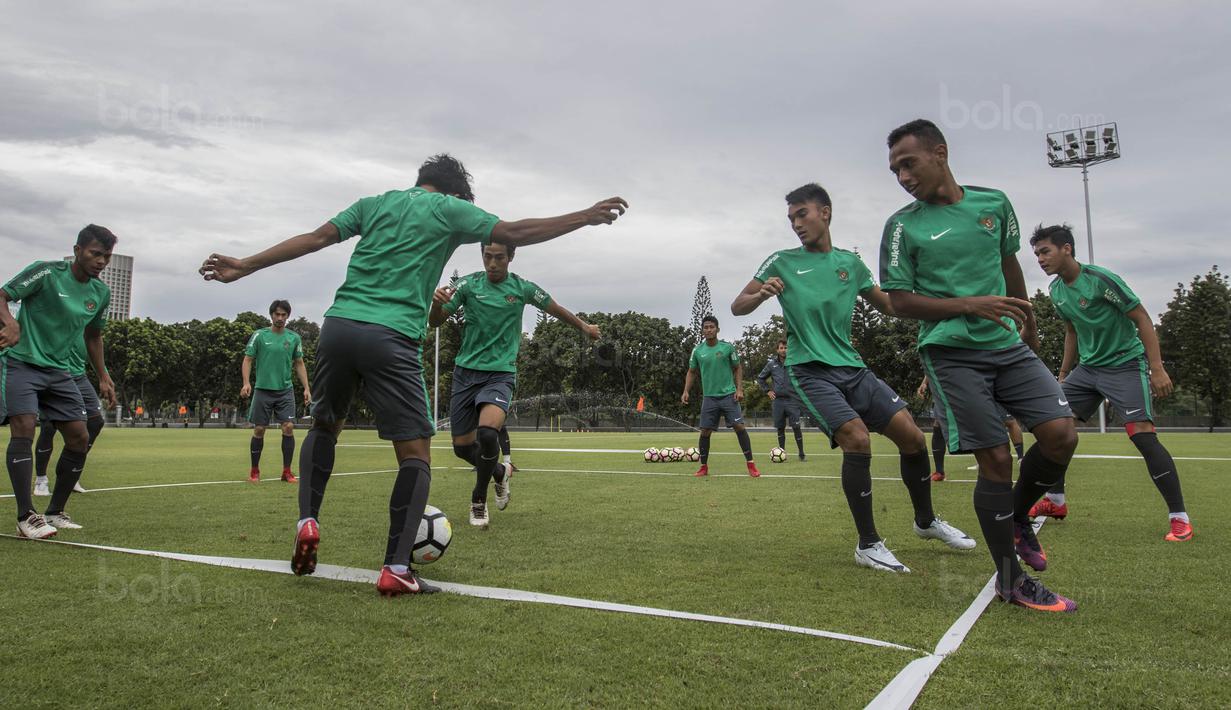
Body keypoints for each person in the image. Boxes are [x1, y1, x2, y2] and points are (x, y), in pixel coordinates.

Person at [200, 153, 627, 596]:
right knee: (416, 455)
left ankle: (308, 519)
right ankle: (396, 568)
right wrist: (585, 216)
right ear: (457, 193)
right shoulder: (449, 208)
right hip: (392, 337)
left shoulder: (375, 203)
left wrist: (246, 265)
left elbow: (314, 239)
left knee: (326, 427)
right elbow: (514, 232)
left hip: (338, 327)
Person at [880, 119, 1078, 612]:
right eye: (895, 170)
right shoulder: (902, 226)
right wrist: (970, 305)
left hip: (1007, 343)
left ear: (940, 153)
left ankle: (1014, 517)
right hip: (950, 353)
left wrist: (1026, 317)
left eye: (909, 163)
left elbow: (1010, 265)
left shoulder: (994, 204)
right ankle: (1010, 580)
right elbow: (900, 302)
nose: (903, 177)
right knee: (995, 460)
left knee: (1061, 435)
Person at [734, 183, 974, 573]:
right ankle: (868, 544)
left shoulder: (851, 264)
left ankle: (926, 521)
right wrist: (761, 294)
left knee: (913, 437)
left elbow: (891, 306)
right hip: (809, 370)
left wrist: (951, 304)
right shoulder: (780, 261)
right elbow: (737, 305)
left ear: (825, 212)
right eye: (791, 218)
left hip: (853, 368)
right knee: (856, 438)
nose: (796, 224)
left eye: (802, 214)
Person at [1030, 223, 1192, 541]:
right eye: (1036, 253)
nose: (1039, 258)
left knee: (1143, 437)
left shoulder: (1101, 280)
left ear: (1067, 249)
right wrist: (1063, 375)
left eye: (1045, 251)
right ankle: (1055, 501)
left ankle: (1180, 518)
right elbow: (1072, 332)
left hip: (1125, 365)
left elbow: (1142, 318)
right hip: (1087, 370)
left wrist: (1156, 368)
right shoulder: (1056, 290)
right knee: (1052, 428)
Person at [429, 242, 599, 528]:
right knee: (461, 448)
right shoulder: (467, 285)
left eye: (499, 258)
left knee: (487, 433)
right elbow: (437, 321)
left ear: (510, 258)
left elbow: (555, 309)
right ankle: (499, 472)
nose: (492, 263)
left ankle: (478, 500)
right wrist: (436, 305)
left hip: (500, 373)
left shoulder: (522, 288)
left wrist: (585, 327)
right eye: (487, 257)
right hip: (465, 373)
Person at [1, 224, 118, 538]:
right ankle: (27, 516)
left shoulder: (100, 293)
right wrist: (10, 323)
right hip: (23, 364)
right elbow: (3, 295)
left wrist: (104, 376)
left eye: (107, 257)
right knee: (24, 428)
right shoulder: (46, 272)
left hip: (60, 370)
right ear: (78, 250)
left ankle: (54, 512)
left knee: (80, 437)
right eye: (96, 254)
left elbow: (94, 336)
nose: (101, 262)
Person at [240, 299, 310, 483]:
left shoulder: (294, 338)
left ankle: (287, 472)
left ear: (288, 316)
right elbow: (248, 359)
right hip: (263, 390)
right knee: (259, 430)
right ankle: (255, 471)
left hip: (284, 390)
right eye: (277, 314)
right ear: (271, 315)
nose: (280, 318)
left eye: (283, 315)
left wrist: (306, 388)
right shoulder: (259, 336)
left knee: (288, 427)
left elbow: (300, 363)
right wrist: (246, 383)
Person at [681, 316, 760, 478]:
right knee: (705, 432)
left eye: (711, 327)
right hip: (709, 398)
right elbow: (691, 372)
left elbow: (737, 368)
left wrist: (739, 389)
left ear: (717, 329)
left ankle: (751, 464)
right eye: (706, 327)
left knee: (740, 427)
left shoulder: (727, 348)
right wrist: (686, 390)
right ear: (702, 330)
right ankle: (703, 467)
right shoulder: (698, 351)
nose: (708, 329)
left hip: (729, 396)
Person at [33, 332, 106, 495]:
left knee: (95, 422)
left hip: (79, 375)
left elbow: (94, 343)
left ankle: (70, 473)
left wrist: (104, 376)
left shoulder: (87, 320)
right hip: (53, 373)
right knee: (49, 426)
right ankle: (41, 480)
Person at [917, 376, 1023, 482]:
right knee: (938, 423)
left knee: (1009, 421)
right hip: (950, 387)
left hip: (986, 386)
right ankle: (940, 472)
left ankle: (1020, 458)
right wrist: (924, 382)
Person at [757, 339, 806, 461]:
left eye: (786, 347)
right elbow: (760, 378)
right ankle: (782, 453)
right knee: (780, 428)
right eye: (781, 348)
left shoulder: (795, 362)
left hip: (792, 400)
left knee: (796, 427)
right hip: (778, 401)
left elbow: (803, 378)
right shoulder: (771, 364)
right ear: (777, 350)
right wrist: (767, 391)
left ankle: (801, 454)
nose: (784, 350)